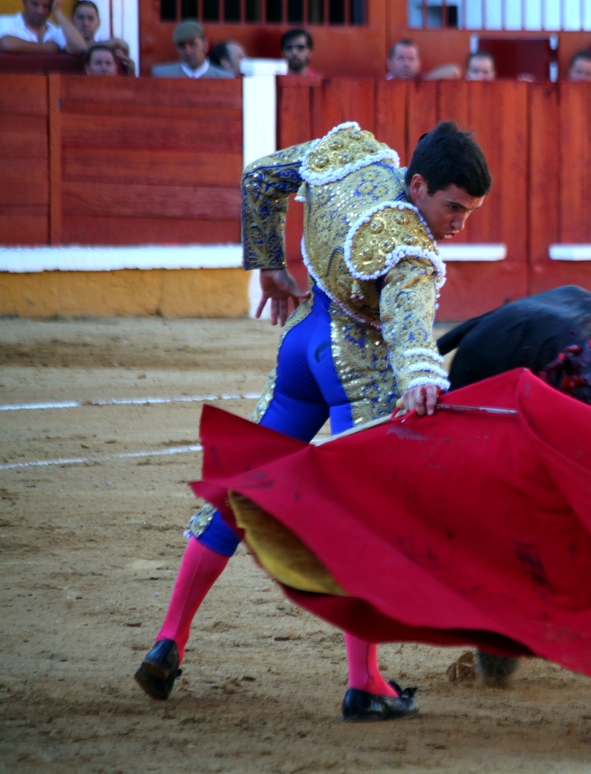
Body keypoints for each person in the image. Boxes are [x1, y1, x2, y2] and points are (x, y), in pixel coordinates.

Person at [134, 120, 492, 722]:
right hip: (359, 368)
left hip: (303, 345)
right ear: (419, 184)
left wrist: (267, 265)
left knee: (239, 493)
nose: (460, 224)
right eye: (453, 207)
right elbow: (408, 332)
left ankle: (169, 638)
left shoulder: (349, 155)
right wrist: (422, 379)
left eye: (472, 212)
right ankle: (365, 683)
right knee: (366, 519)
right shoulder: (412, 251)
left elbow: (261, 177)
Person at [0, 0, 86, 55]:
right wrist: (46, 47)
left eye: (46, 6)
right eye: (35, 4)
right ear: (24, 1)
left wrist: (58, 11)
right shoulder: (5, 22)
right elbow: (7, 44)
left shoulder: (55, 31)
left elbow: (80, 48)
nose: (40, 11)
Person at [151, 20, 234, 78]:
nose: (188, 52)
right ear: (176, 49)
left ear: (205, 46)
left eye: (193, 45)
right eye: (182, 46)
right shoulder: (161, 75)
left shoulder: (225, 78)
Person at [71, 0, 132, 73]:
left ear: (98, 23)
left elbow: (124, 46)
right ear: (71, 21)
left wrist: (131, 72)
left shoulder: (110, 52)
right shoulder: (60, 43)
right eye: (80, 18)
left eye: (91, 18)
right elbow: (80, 48)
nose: (85, 23)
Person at [385, 39, 460, 80]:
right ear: (389, 64)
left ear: (419, 64)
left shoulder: (421, 80)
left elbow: (454, 71)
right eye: (401, 59)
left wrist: (425, 82)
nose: (406, 64)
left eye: (411, 59)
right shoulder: (384, 85)